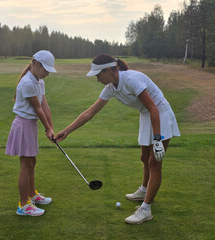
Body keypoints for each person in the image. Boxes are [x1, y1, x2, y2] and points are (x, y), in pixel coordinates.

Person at [55, 54, 180, 224]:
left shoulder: (132, 79)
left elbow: (153, 107)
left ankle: (146, 210)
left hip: (160, 114)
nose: (97, 79)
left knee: (154, 163)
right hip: (146, 115)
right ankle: (144, 190)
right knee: (144, 158)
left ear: (109, 70)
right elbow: (90, 112)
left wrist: (158, 139)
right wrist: (67, 131)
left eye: (98, 74)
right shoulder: (111, 88)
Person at [5, 50, 57, 216]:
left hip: (30, 125)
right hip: (23, 126)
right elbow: (38, 109)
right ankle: (23, 205)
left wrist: (51, 128)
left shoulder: (39, 81)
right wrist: (47, 128)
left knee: (32, 163)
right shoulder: (27, 82)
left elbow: (45, 106)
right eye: (46, 69)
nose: (48, 73)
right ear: (36, 64)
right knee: (26, 166)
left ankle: (31, 195)